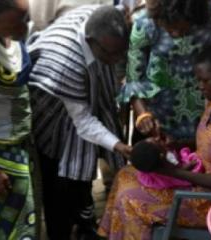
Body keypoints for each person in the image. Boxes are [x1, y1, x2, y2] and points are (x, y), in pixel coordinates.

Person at [98, 44, 211, 239]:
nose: (200, 86)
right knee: (125, 175)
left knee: (130, 198)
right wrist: (173, 144)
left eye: (205, 80)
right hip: (195, 181)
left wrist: (175, 173)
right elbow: (208, 143)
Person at [27, 5, 131, 240]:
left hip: (77, 105)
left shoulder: (100, 18)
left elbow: (118, 14)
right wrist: (118, 145)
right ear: (91, 41)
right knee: (59, 182)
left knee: (81, 174)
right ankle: (60, 232)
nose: (115, 61)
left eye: (120, 54)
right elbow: (83, 122)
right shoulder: (68, 63)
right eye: (110, 55)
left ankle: (84, 222)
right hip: (51, 117)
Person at [121, 0, 211, 144]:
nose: (175, 33)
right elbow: (134, 79)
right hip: (159, 121)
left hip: (206, 117)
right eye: (168, 29)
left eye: (181, 27)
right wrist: (144, 116)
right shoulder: (144, 22)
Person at [0, 0, 37, 239]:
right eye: (19, 19)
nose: (26, 24)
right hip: (0, 158)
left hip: (21, 149)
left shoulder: (16, 39)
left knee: (24, 224)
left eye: (26, 17)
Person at [130, 138, 204, 189]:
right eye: (157, 142)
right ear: (162, 156)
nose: (158, 139)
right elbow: (180, 170)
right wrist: (191, 164)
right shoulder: (168, 165)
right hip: (180, 177)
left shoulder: (145, 166)